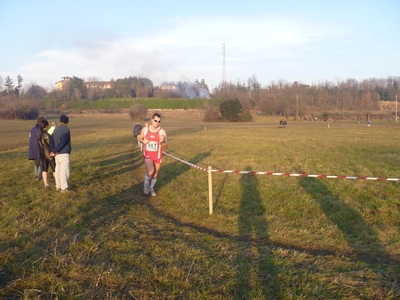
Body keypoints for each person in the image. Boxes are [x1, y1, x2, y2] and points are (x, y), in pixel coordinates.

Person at [138, 113, 167, 196]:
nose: (157, 122)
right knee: (151, 171)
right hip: (148, 153)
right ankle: (146, 185)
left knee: (155, 174)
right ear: (151, 119)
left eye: (159, 121)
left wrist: (163, 140)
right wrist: (144, 141)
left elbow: (166, 145)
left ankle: (151, 188)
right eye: (155, 120)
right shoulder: (145, 129)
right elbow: (140, 138)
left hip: (157, 154)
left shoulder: (162, 131)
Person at [50, 114, 72, 192]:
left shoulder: (55, 129)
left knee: (58, 170)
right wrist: (56, 150)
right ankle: (64, 188)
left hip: (57, 154)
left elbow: (51, 140)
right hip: (63, 153)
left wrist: (53, 150)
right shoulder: (66, 130)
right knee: (64, 171)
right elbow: (63, 142)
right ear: (66, 122)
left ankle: (58, 186)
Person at [38, 119, 56, 188]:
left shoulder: (38, 135)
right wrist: (53, 152)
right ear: (46, 126)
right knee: (54, 169)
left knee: (44, 169)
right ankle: (57, 182)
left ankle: (46, 183)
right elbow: (50, 145)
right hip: (49, 154)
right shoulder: (48, 135)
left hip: (42, 154)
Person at [28, 116, 45, 181]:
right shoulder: (40, 130)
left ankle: (36, 175)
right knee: (40, 163)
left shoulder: (32, 129)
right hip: (39, 148)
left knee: (36, 163)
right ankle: (39, 176)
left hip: (33, 148)